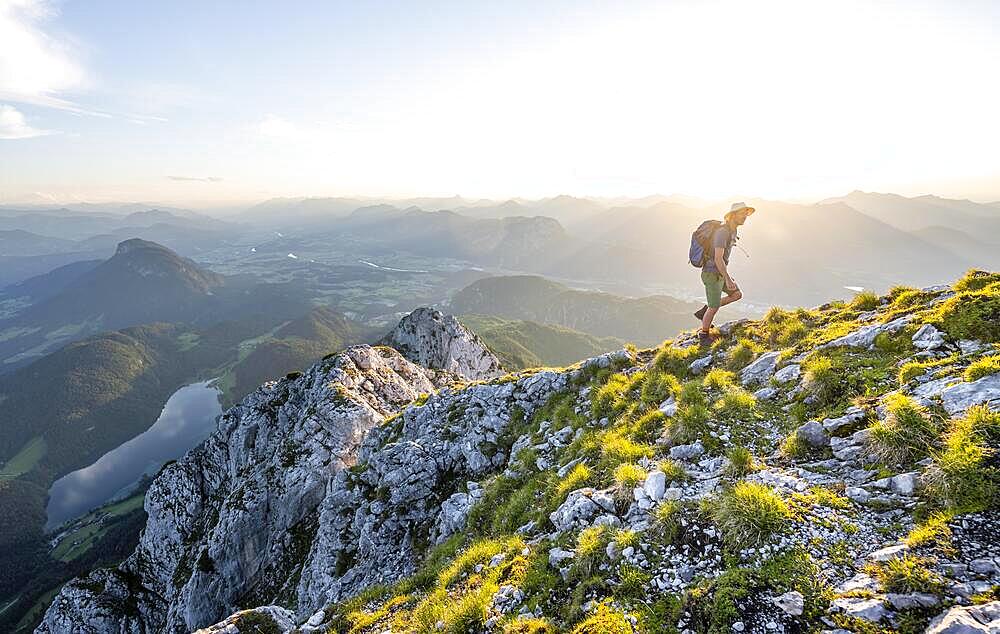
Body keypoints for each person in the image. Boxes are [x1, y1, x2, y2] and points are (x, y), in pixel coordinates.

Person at [694, 202, 755, 344]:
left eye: (746, 214)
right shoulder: (722, 232)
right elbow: (717, 258)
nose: (745, 217)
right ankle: (704, 336)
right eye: (742, 214)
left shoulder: (733, 231)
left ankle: (705, 311)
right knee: (714, 307)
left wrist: (726, 276)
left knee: (736, 294)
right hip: (712, 274)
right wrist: (727, 279)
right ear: (733, 216)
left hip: (719, 272)